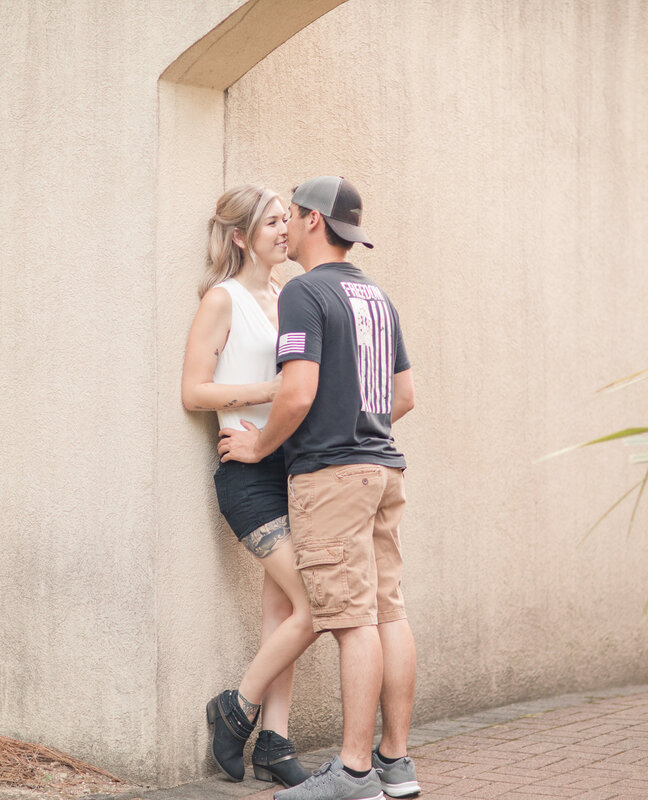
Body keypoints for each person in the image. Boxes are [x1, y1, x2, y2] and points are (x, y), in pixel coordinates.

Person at [218, 176, 419, 800]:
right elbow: (404, 396)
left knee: (349, 619)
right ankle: (395, 763)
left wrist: (260, 445)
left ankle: (354, 772)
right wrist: (357, 426)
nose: (288, 227)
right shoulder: (375, 296)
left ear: (311, 221)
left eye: (293, 215)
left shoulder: (305, 292)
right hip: (384, 468)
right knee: (389, 611)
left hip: (332, 476)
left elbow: (298, 392)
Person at [181, 185, 320, 788]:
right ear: (241, 236)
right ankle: (236, 707)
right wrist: (270, 393)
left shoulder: (290, 296)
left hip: (292, 468)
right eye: (271, 223)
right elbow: (194, 391)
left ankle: (275, 742)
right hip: (247, 473)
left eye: (287, 220)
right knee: (316, 604)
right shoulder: (223, 299)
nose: (285, 231)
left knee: (285, 610)